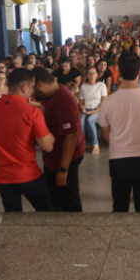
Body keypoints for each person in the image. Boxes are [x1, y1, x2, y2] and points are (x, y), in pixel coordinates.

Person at [0, 68, 55, 212]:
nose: (33, 91)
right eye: (32, 87)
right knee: (46, 213)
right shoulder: (32, 112)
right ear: (24, 87)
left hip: (1, 177)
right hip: (28, 174)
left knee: (13, 219)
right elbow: (47, 146)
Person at [98, 53, 140, 212]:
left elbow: (106, 135)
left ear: (118, 70)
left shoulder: (109, 102)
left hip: (118, 159)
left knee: (119, 205)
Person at [33, 67, 86, 212]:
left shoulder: (62, 100)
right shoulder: (53, 93)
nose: (32, 93)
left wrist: (63, 169)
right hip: (54, 157)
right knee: (55, 198)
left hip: (64, 159)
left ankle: (73, 231)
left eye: (33, 89)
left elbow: (71, 135)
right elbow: (47, 111)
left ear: (41, 84)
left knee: (68, 201)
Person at [79, 66, 108, 154]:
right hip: (86, 109)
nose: (92, 75)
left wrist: (95, 111)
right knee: (81, 120)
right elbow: (81, 102)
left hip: (99, 110)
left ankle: (96, 144)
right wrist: (83, 108)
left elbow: (104, 102)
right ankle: (81, 144)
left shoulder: (101, 85)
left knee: (90, 120)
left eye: (94, 73)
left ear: (97, 75)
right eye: (90, 73)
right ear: (87, 75)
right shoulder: (83, 86)